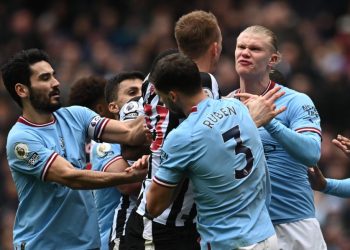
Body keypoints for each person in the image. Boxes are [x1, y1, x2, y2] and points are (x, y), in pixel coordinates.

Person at [1, 48, 149, 249]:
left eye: (53, 75)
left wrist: (161, 104)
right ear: (22, 90)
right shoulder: (21, 139)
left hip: (88, 244)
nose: (56, 82)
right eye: (45, 78)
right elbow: (71, 177)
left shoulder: (76, 115)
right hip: (44, 245)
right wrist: (128, 176)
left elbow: (130, 131)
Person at [134, 53, 279, 249]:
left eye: (161, 97)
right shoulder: (237, 107)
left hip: (227, 241)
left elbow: (154, 207)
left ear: (173, 95)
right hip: (266, 235)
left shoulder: (183, 137)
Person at [124, 10, 222, 250]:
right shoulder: (204, 83)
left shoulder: (153, 76)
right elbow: (208, 135)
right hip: (163, 221)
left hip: (161, 211)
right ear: (215, 48)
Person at [231, 25, 327, 249]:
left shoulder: (295, 101)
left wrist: (270, 122)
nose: (245, 52)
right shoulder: (224, 106)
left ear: (272, 59)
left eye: (254, 49)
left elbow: (312, 153)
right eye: (240, 47)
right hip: (246, 229)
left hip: (294, 225)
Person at [68, 72, 144, 250]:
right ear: (112, 107)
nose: (140, 97)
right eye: (132, 92)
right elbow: (128, 185)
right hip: (114, 238)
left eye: (143, 90)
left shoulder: (153, 136)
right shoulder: (104, 144)